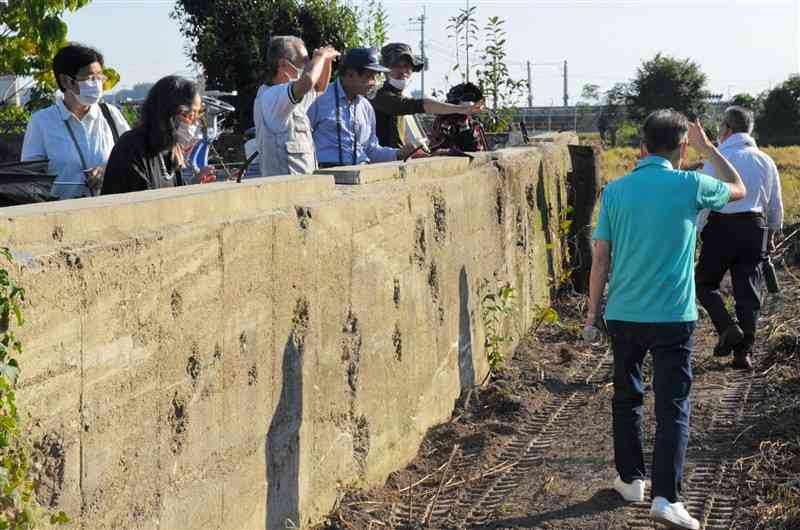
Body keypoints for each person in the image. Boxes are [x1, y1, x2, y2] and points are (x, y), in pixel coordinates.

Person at [585, 110, 746, 530]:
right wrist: (710, 149)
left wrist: (591, 315)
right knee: (672, 404)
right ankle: (665, 497)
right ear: (681, 148)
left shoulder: (615, 191)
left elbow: (600, 258)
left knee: (627, 396)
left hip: (623, 313)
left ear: (641, 146)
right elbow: (739, 189)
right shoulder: (690, 184)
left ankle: (630, 479)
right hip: (673, 315)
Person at [696, 107, 784, 370]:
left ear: (727, 128)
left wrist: (699, 231)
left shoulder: (718, 158)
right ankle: (743, 354)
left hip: (721, 228)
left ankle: (727, 327)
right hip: (754, 229)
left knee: (703, 284)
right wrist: (772, 232)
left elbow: (705, 202)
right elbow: (774, 203)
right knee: (748, 292)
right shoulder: (764, 160)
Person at [21, 43, 130, 199]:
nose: (97, 84)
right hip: (61, 215)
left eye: (99, 77)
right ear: (66, 81)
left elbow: (132, 158)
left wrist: (107, 170)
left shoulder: (111, 115)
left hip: (110, 211)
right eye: (90, 78)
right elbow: (29, 179)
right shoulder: (42, 122)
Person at [308, 48, 417, 168]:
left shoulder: (366, 107)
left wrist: (398, 154)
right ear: (350, 75)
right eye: (369, 77)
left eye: (375, 77)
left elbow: (371, 150)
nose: (374, 82)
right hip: (325, 177)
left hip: (361, 173)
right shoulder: (318, 100)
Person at [101, 76, 212, 194]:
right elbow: (141, 204)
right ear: (166, 112)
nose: (195, 122)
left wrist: (192, 187)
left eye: (198, 114)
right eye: (190, 114)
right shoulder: (132, 147)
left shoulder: (170, 149)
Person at [254, 36, 339, 177]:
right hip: (284, 192)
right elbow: (308, 81)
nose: (308, 65)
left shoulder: (290, 96)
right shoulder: (271, 96)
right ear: (283, 65)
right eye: (305, 61)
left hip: (303, 189)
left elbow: (319, 88)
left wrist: (326, 60)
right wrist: (319, 56)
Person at [372, 42, 483, 148]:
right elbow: (421, 105)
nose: (403, 71)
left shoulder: (401, 97)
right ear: (385, 70)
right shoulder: (381, 97)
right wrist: (460, 109)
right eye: (396, 66)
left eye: (407, 66)